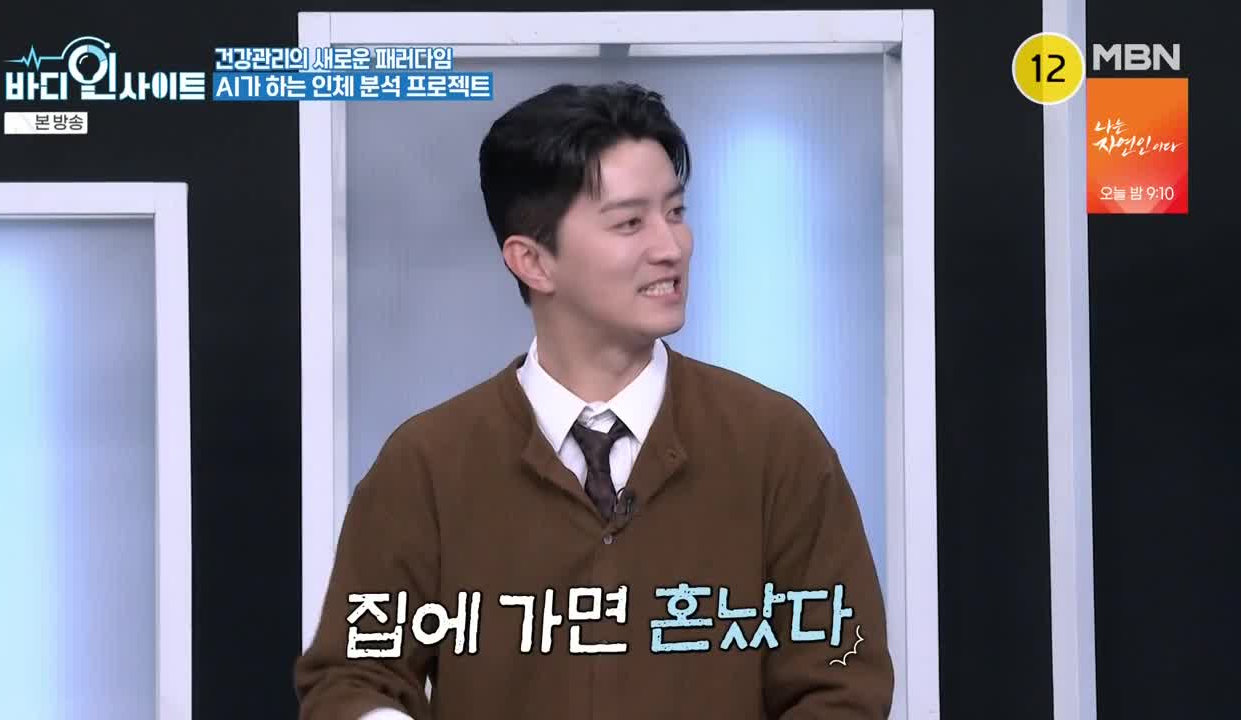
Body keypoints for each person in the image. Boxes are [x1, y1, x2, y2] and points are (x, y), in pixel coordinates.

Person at [294, 81, 893, 720]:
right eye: (630, 222)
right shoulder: (427, 464)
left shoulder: (774, 444)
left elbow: (840, 682)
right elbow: (351, 678)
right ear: (532, 261)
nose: (671, 247)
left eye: (676, 212)